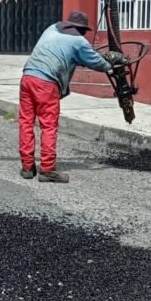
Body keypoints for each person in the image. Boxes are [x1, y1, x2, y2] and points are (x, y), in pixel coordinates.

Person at [19, 11, 117, 184]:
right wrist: (110, 65)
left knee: (26, 122)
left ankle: (27, 168)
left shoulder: (52, 28)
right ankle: (47, 170)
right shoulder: (78, 41)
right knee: (48, 126)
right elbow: (95, 61)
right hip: (46, 82)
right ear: (82, 29)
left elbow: (63, 54)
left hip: (27, 77)